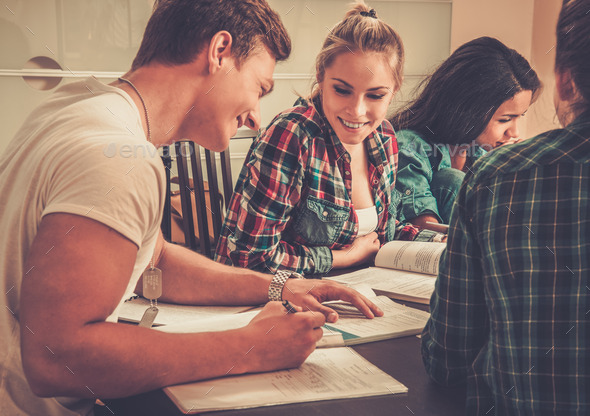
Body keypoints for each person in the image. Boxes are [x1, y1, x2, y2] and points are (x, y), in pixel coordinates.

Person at [0, 1, 384, 415]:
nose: (257, 118)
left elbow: (155, 259)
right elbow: (57, 359)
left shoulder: (81, 106)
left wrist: (281, 286)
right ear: (219, 51)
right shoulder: (118, 157)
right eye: (259, 88)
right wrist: (251, 348)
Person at [421, 0, 590, 414]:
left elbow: (448, 358)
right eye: (504, 119)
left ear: (565, 82)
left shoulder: (497, 176)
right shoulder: (424, 151)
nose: (514, 132)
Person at [215, 1, 442, 276]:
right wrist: (341, 258)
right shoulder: (293, 136)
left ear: (394, 90)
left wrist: (436, 243)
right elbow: (247, 259)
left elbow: (381, 236)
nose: (357, 111)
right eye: (342, 90)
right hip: (287, 302)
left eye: (375, 95)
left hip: (366, 294)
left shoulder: (384, 138)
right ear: (321, 77)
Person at [389, 37, 541, 229]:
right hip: (428, 251)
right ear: (468, 110)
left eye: (519, 117)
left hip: (474, 248)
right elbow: (422, 232)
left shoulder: (480, 153)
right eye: (504, 120)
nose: (514, 132)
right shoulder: (410, 147)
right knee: (451, 180)